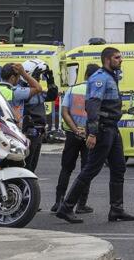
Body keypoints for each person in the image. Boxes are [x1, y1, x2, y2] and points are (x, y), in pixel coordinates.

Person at [57, 47, 134, 224]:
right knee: (91, 169)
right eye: (117, 57)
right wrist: (92, 133)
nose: (121, 60)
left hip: (112, 128)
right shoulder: (99, 78)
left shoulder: (111, 76)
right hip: (102, 129)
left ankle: (116, 209)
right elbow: (93, 106)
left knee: (119, 167)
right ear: (107, 59)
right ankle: (66, 207)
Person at [53, 64, 98, 216]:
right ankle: (81, 204)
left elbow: (64, 112)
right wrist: (86, 131)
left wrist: (75, 129)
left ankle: (59, 202)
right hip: (89, 136)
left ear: (85, 75)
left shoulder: (73, 89)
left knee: (66, 168)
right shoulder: (97, 92)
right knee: (86, 170)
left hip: (72, 135)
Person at [0, 62, 40, 127]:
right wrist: (23, 73)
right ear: (12, 78)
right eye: (19, 76)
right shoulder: (15, 92)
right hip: (12, 129)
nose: (19, 79)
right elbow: (38, 88)